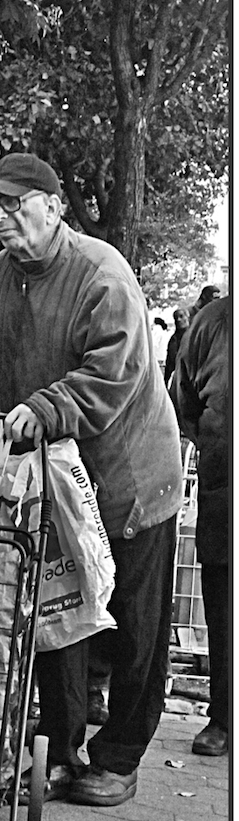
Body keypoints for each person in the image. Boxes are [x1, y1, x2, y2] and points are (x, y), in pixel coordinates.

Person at [0, 153, 182, 807]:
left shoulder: (102, 272)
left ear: (54, 206)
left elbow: (114, 373)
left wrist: (45, 407)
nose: (2, 218)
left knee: (132, 623)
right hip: (50, 476)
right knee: (57, 610)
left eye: (16, 204)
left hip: (130, 476)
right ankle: (57, 753)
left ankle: (118, 757)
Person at [172, 297, 229, 757]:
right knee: (224, 602)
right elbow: (185, 401)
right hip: (224, 483)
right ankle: (224, 717)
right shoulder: (214, 322)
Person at [164, 307, 191, 384]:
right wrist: (166, 381)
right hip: (177, 378)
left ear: (187, 317)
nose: (178, 320)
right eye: (176, 318)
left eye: (181, 316)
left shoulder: (195, 336)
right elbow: (169, 362)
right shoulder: (173, 340)